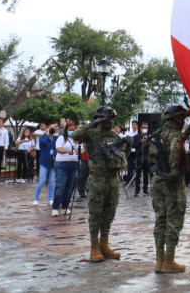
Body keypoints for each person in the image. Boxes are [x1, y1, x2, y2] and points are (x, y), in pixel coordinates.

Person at [72, 106, 130, 262]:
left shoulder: (114, 136)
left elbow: (124, 155)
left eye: (112, 119)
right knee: (96, 214)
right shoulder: (92, 134)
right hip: (97, 179)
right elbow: (76, 134)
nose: (110, 122)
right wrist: (94, 122)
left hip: (113, 179)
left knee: (109, 213)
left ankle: (104, 245)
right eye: (108, 119)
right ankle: (94, 247)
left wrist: (129, 146)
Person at [149, 104, 190, 273]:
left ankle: (159, 261)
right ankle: (169, 261)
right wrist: (174, 172)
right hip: (172, 182)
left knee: (160, 220)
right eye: (182, 118)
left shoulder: (158, 134)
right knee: (174, 220)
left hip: (158, 180)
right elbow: (175, 149)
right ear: (176, 118)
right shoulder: (174, 135)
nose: (183, 121)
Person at [52, 122, 79, 216]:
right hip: (62, 164)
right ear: (66, 130)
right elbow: (58, 149)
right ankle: (55, 207)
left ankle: (65, 207)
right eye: (70, 130)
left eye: (74, 130)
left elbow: (81, 150)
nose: (72, 132)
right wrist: (67, 151)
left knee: (69, 188)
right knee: (60, 186)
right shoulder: (62, 138)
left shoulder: (77, 140)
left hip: (74, 164)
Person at [33, 124, 57, 206]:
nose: (52, 130)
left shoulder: (56, 138)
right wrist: (47, 133)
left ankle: (50, 198)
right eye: (51, 128)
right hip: (44, 162)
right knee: (42, 180)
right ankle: (36, 199)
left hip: (53, 162)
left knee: (51, 181)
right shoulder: (43, 137)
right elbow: (42, 143)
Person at [132, 122, 150, 197]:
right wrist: (140, 142)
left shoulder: (149, 137)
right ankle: (137, 191)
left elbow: (152, 147)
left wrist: (147, 144)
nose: (144, 129)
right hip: (138, 157)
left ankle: (145, 190)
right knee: (138, 175)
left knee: (146, 175)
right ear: (140, 128)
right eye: (143, 128)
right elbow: (133, 145)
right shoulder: (136, 137)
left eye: (146, 128)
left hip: (146, 158)